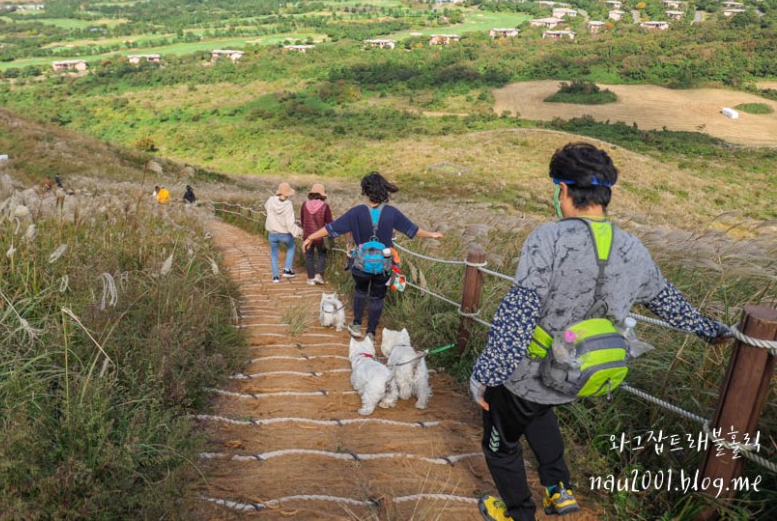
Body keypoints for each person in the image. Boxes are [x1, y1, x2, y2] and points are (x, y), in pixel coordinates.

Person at [470, 142, 731, 521]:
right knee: (541, 412)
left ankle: (518, 512)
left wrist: (485, 376)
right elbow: (667, 301)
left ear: (562, 190)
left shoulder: (548, 239)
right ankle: (559, 490)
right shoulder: (632, 248)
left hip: (528, 374)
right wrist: (711, 330)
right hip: (583, 373)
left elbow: (518, 314)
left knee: (500, 442)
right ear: (603, 196)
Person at [302, 172, 442, 340]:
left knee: (360, 292)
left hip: (360, 264)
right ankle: (371, 332)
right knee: (377, 297)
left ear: (365, 191)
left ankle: (356, 325)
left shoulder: (356, 212)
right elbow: (413, 230)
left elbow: (332, 228)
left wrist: (310, 237)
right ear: (383, 190)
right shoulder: (392, 213)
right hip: (383, 264)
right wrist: (432, 234)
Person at [265, 182, 302, 283]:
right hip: (285, 234)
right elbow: (290, 223)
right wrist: (298, 232)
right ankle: (287, 269)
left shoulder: (271, 200)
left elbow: (266, 207)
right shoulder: (288, 204)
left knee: (273, 254)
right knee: (291, 247)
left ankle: (275, 276)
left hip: (272, 233)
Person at [300, 183, 333, 286]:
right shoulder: (325, 206)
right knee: (321, 254)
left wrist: (305, 231)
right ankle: (318, 275)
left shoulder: (304, 204)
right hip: (320, 236)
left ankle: (310, 278)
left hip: (307, 236)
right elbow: (330, 222)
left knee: (309, 256)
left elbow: (302, 219)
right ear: (322, 194)